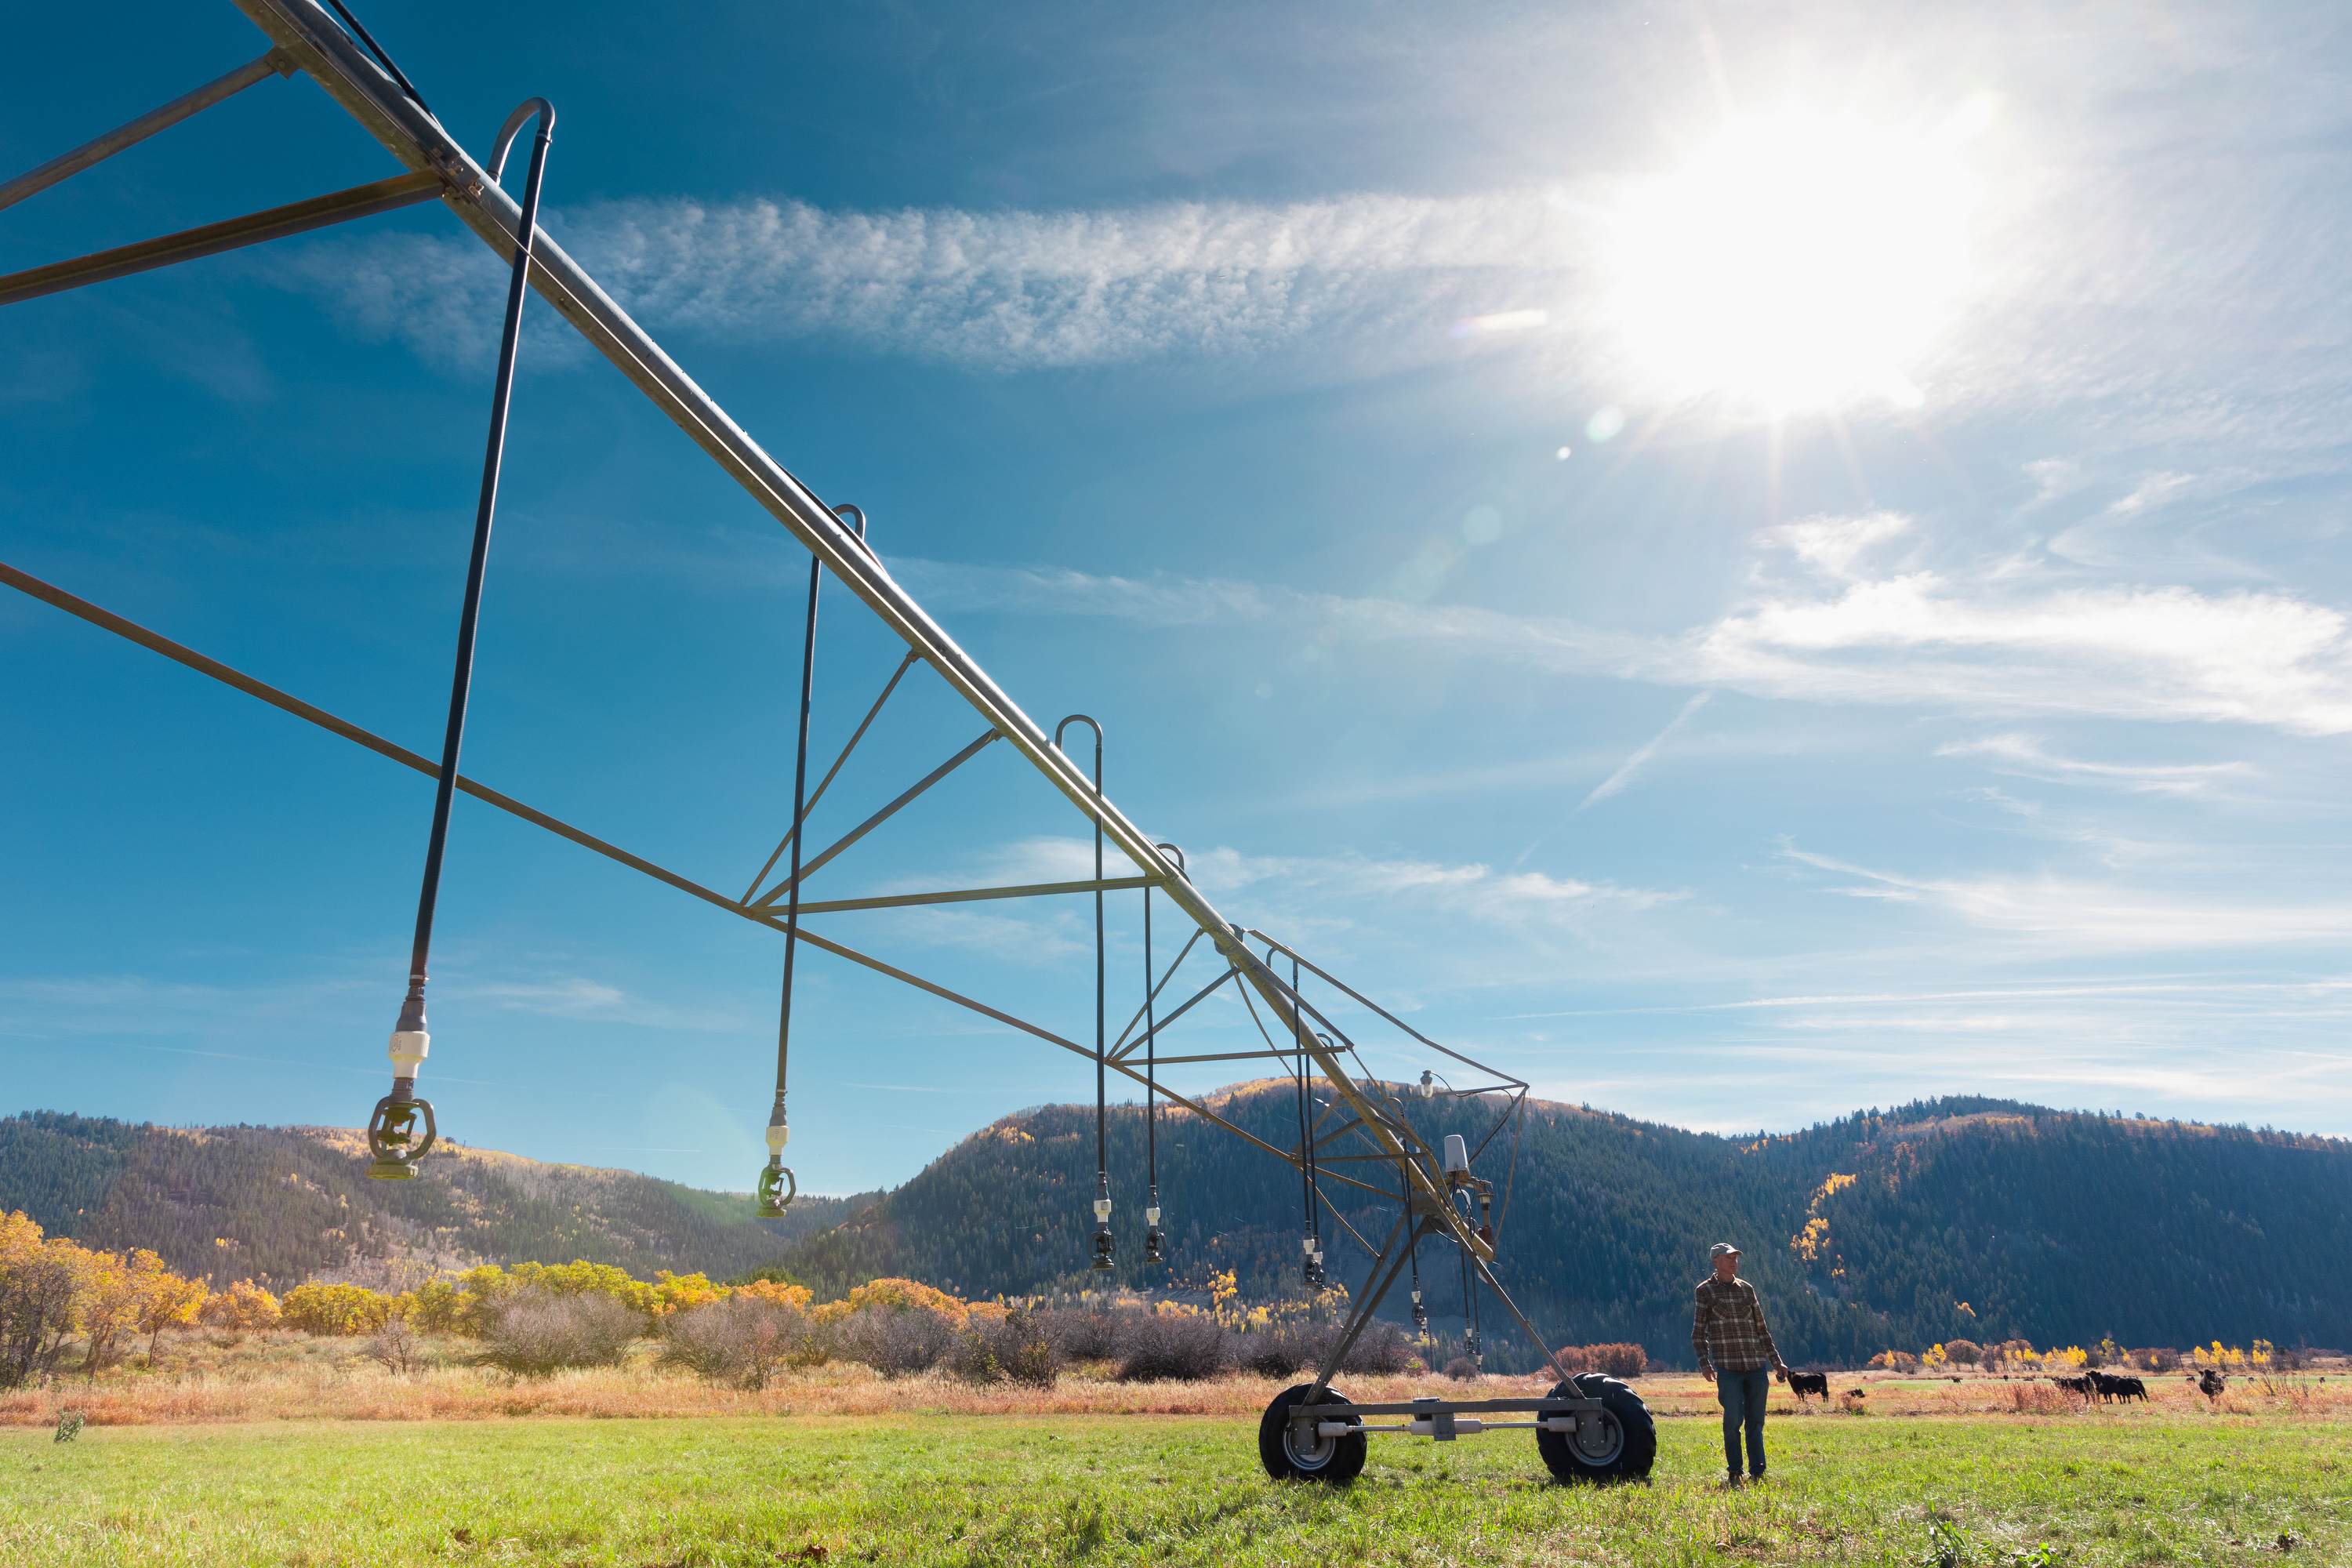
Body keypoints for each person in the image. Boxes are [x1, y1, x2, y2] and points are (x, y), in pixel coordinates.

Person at [1691, 1241, 1788, 1485]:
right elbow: (1698, 1333)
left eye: (1736, 1257)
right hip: (1728, 1369)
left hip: (1756, 1367)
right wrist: (1705, 1363)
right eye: (1728, 1257)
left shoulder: (1747, 1290)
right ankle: (1735, 1471)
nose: (1734, 1261)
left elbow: (1762, 1330)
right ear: (1716, 1261)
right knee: (1733, 1421)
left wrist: (1776, 1362)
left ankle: (1758, 1472)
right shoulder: (1704, 1292)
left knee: (1755, 1423)